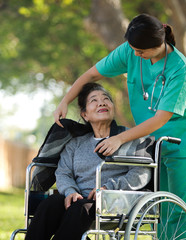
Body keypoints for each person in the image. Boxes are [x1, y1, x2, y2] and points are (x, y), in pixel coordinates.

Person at [53, 14, 186, 238]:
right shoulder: (131, 50)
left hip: (184, 140)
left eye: (141, 51)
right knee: (160, 209)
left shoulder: (179, 67)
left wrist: (120, 138)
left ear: (158, 44)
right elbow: (92, 74)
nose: (136, 55)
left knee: (181, 209)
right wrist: (65, 100)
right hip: (150, 140)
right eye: (133, 49)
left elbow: (161, 118)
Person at [25, 83, 151, 240]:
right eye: (94, 100)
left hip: (113, 201)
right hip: (78, 198)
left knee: (80, 208)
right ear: (85, 115)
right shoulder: (76, 144)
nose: (102, 102)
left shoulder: (129, 137)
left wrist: (107, 188)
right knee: (50, 204)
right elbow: (63, 172)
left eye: (106, 99)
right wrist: (70, 191)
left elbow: (142, 172)